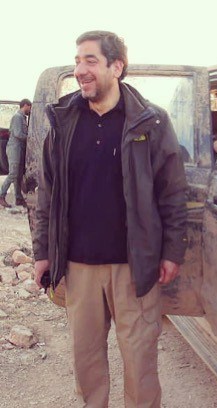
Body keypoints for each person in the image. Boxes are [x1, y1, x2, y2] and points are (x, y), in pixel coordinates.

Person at [33, 31, 188, 408]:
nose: (80, 70)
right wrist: (42, 253)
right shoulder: (64, 122)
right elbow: (47, 192)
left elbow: (171, 192)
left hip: (133, 266)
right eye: (77, 61)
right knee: (86, 361)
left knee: (140, 361)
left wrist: (172, 252)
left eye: (90, 61)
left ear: (116, 67)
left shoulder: (150, 122)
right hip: (79, 266)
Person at [0, 99, 31, 208]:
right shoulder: (17, 117)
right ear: (25, 105)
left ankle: (18, 198)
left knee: (18, 175)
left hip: (19, 148)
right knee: (13, 173)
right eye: (30, 107)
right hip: (14, 148)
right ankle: (1, 195)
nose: (30, 110)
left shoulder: (22, 118)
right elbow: (18, 134)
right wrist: (30, 138)